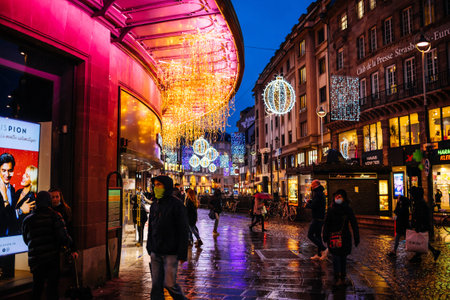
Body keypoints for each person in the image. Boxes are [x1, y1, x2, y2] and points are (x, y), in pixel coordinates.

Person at [22, 191, 77, 300]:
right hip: (51, 259)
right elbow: (63, 237)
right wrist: (70, 245)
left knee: (37, 287)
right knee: (52, 289)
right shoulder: (55, 216)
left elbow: (26, 239)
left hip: (36, 260)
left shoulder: (28, 219)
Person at [146, 175, 189, 300]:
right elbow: (151, 228)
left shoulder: (177, 205)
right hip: (156, 251)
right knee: (156, 286)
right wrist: (150, 246)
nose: (156, 187)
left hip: (171, 252)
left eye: (159, 185)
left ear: (166, 186)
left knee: (169, 284)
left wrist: (182, 254)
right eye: (155, 185)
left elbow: (183, 230)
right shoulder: (155, 204)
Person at [323, 189, 359, 287]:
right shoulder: (332, 209)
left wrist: (356, 237)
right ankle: (339, 278)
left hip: (343, 237)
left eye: (340, 196)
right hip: (337, 237)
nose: (338, 198)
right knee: (336, 257)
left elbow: (354, 223)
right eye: (336, 196)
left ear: (343, 198)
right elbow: (327, 223)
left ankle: (341, 278)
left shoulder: (346, 209)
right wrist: (325, 235)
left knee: (342, 258)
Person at [409, 186, 441, 263]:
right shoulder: (419, 202)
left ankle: (419, 256)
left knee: (422, 240)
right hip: (422, 224)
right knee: (422, 240)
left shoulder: (420, 203)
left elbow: (420, 215)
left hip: (422, 225)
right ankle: (431, 253)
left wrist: (418, 225)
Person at [305, 179, 328, 260]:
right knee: (318, 236)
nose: (311, 186)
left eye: (312, 184)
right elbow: (317, 203)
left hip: (317, 218)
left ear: (315, 185)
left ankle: (324, 249)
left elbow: (314, 206)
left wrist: (308, 204)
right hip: (320, 217)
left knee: (310, 235)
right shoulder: (319, 193)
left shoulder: (317, 193)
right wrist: (311, 201)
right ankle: (319, 254)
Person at [0, 153, 19, 237]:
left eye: (10, 171)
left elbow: (11, 218)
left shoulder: (12, 189)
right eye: (3, 170)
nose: (7, 175)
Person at [15, 165, 38, 233]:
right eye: (24, 173)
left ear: (32, 182)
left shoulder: (31, 199)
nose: (23, 176)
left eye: (27, 176)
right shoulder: (18, 192)